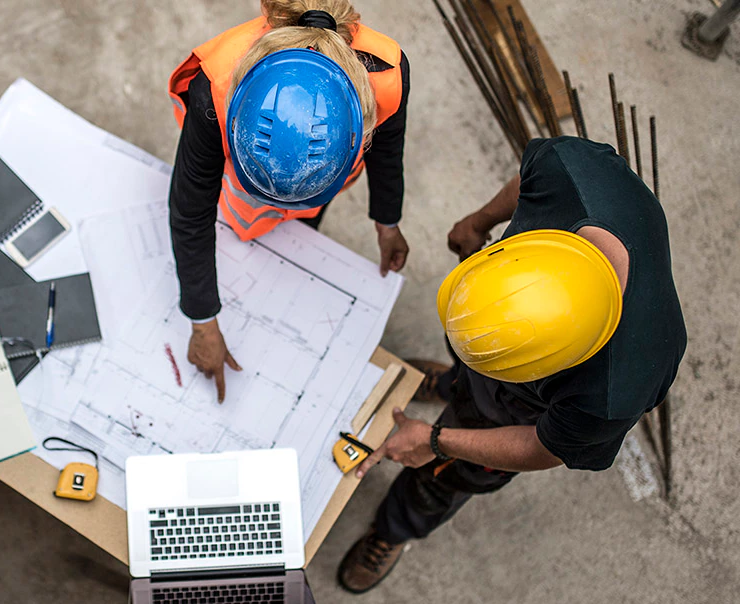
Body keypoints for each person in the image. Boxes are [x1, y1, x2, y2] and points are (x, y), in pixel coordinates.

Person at [336, 136, 687, 593]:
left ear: (551, 367)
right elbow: (528, 181)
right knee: (468, 372)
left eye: (498, 364)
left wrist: (437, 441)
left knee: (443, 477)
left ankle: (395, 529)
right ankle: (451, 383)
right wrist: (479, 221)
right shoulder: (571, 172)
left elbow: (542, 448)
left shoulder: (616, 388)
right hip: (512, 339)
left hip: (517, 414)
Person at [167, 0, 411, 401]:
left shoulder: (387, 72)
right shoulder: (215, 89)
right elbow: (191, 210)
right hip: (242, 200)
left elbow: (388, 149)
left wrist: (387, 221)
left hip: (320, 188)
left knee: (297, 238)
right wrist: (202, 321)